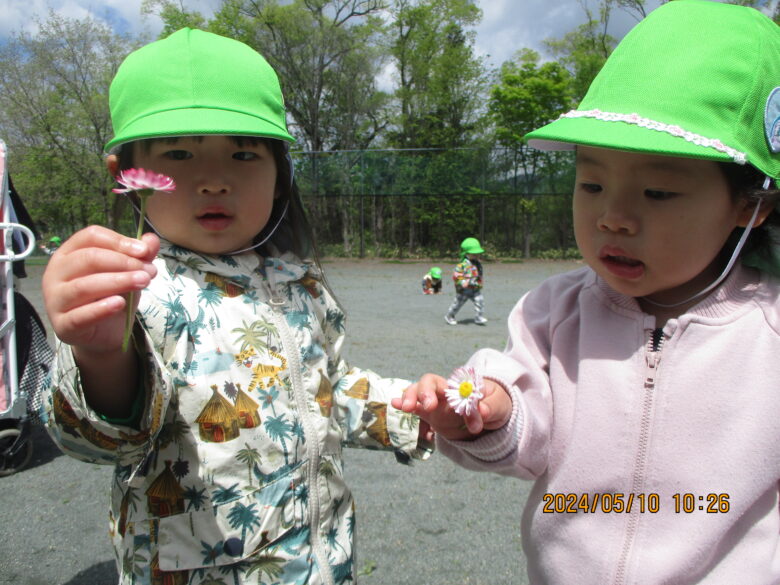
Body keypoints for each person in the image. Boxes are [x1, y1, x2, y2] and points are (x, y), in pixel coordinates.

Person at [394, 2, 780, 584]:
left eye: (657, 192)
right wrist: (489, 415)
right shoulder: (557, 312)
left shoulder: (768, 330)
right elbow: (527, 424)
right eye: (591, 182)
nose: (613, 217)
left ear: (750, 206)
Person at [39, 29, 430, 585]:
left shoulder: (301, 283)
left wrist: (412, 413)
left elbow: (326, 391)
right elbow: (100, 439)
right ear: (125, 177)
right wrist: (102, 359)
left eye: (244, 152)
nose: (215, 179)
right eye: (178, 152)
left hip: (323, 563)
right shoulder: (130, 290)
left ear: (279, 177)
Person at [444, 237, 486, 325]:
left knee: (480, 301)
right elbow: (456, 275)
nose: (476, 256)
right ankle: (449, 316)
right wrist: (462, 282)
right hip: (464, 290)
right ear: (466, 254)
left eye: (477, 254)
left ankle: (479, 317)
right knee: (457, 304)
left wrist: (479, 282)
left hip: (474, 288)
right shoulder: (462, 265)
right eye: (474, 254)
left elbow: (478, 274)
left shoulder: (477, 264)